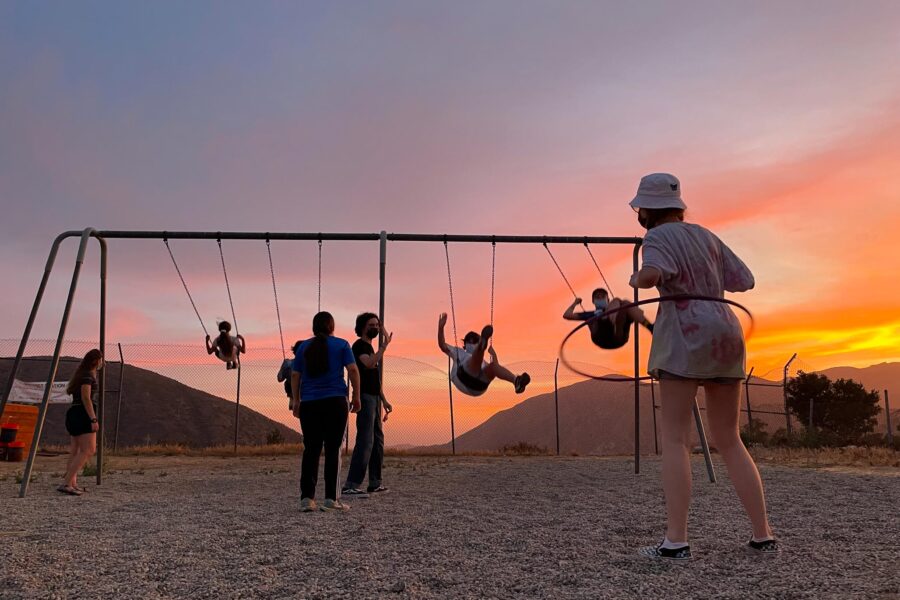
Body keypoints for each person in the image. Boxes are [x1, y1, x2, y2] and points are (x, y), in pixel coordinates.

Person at [627, 172, 777, 560]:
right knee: (729, 438)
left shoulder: (656, 237)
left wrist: (640, 276)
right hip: (726, 333)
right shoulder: (708, 236)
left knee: (676, 438)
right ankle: (763, 534)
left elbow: (652, 275)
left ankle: (676, 540)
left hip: (685, 336)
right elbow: (745, 280)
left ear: (648, 209)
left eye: (640, 208)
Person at [291, 311, 361, 512]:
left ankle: (307, 499)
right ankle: (331, 498)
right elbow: (353, 370)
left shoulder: (304, 347)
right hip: (335, 402)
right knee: (333, 449)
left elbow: (296, 375)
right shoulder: (342, 345)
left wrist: (297, 400)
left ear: (314, 328)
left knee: (311, 449)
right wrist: (356, 396)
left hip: (310, 403)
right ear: (332, 327)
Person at [342, 313, 394, 498]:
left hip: (374, 398)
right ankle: (351, 485)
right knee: (365, 440)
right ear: (363, 327)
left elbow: (375, 379)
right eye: (372, 325)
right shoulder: (359, 346)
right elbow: (369, 363)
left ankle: (375, 483)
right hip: (364, 397)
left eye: (378, 325)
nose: (376, 328)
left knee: (377, 441)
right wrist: (384, 347)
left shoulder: (370, 348)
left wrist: (384, 400)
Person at [437, 313, 530, 397]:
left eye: (476, 341)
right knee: (473, 363)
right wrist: (441, 328)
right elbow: (442, 345)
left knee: (492, 366)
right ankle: (481, 346)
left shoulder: (482, 362)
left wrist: (493, 354)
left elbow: (496, 369)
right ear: (469, 343)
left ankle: (516, 381)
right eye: (473, 341)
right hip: (462, 378)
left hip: (479, 385)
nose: (472, 343)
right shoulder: (458, 352)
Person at [58, 349, 103, 496]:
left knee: (76, 450)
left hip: (74, 413)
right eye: (101, 360)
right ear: (96, 361)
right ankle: (66, 483)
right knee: (89, 450)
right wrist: (93, 419)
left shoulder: (81, 374)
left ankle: (72, 483)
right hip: (83, 414)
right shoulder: (87, 376)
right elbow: (86, 398)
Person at [563, 288, 653, 349]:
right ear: (593, 301)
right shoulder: (590, 314)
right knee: (618, 300)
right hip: (601, 338)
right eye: (597, 297)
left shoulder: (616, 308)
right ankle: (610, 320)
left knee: (626, 303)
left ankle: (649, 326)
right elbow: (567, 315)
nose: (600, 298)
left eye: (602, 297)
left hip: (619, 337)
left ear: (608, 300)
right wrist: (575, 303)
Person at [277, 340, 302, 406]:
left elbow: (280, 378)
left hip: (292, 391)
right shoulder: (311, 365)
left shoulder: (288, 364)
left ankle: (292, 401)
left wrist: (283, 367)